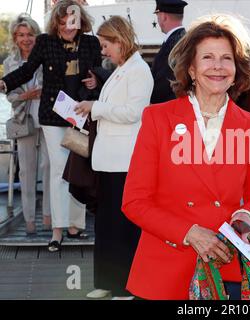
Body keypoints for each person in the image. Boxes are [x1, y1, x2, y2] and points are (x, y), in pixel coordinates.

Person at [121, 14, 250, 300]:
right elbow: (134, 201)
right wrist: (189, 232)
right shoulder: (157, 118)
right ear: (191, 68)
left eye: (226, 58)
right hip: (165, 269)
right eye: (208, 57)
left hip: (223, 267)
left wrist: (245, 217)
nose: (218, 66)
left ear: (236, 69)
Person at [0, 0, 102, 252]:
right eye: (63, 20)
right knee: (59, 170)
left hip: (80, 113)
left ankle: (75, 227)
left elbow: (98, 72)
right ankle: (58, 230)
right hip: (53, 115)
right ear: (56, 21)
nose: (68, 25)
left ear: (80, 21)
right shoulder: (45, 42)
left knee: (79, 168)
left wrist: (95, 80)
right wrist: (4, 83)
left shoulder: (91, 43)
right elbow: (27, 70)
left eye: (73, 20)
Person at [74, 16, 153, 299]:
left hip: (123, 161)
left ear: (120, 40)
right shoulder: (122, 69)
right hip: (108, 160)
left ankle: (125, 287)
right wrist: (93, 108)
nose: (103, 51)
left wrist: (95, 107)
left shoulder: (139, 71)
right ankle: (106, 282)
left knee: (122, 227)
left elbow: (135, 113)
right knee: (106, 224)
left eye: (106, 45)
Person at [3, 14, 51, 235]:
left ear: (36, 36)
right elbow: (9, 95)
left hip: (48, 118)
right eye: (21, 35)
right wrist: (26, 96)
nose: (26, 39)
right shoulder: (9, 63)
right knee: (26, 171)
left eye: (30, 34)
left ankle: (50, 216)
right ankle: (30, 220)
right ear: (15, 37)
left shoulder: (47, 57)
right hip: (23, 120)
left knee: (49, 168)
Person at [150, 0, 187, 103]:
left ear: (163, 17)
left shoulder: (173, 44)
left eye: (158, 16)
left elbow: (162, 84)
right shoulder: (184, 39)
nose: (158, 20)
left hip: (168, 107)